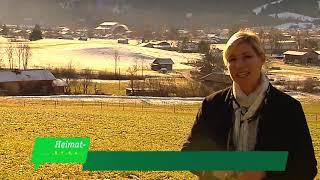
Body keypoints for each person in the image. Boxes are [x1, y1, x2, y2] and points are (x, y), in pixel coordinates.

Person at [181, 30, 317, 180]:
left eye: (247, 57)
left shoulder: (288, 109)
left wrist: (265, 172)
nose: (239, 64)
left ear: (261, 59)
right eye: (232, 59)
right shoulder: (212, 105)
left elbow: (306, 167)